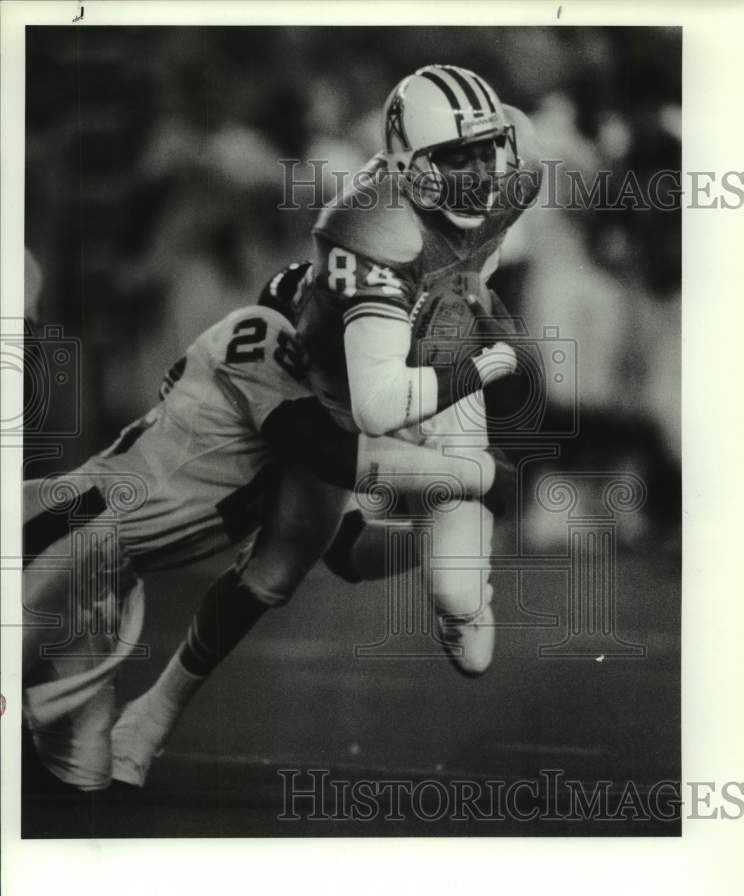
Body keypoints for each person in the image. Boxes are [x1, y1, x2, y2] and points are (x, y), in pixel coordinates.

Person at [108, 64, 544, 787]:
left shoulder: (521, 157)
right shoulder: (368, 222)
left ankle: (448, 576)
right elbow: (377, 405)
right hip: (345, 384)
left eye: (483, 152)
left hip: (441, 343)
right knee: (278, 566)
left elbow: (485, 245)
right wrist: (490, 367)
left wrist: (475, 300)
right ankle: (152, 715)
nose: (476, 174)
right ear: (406, 165)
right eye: (451, 159)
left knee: (461, 612)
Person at [23, 297, 509, 792]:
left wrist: (434, 544)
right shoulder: (260, 339)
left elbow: (346, 549)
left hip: (105, 585)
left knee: (78, 780)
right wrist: (476, 475)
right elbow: (328, 452)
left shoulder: (324, 411)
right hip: (62, 532)